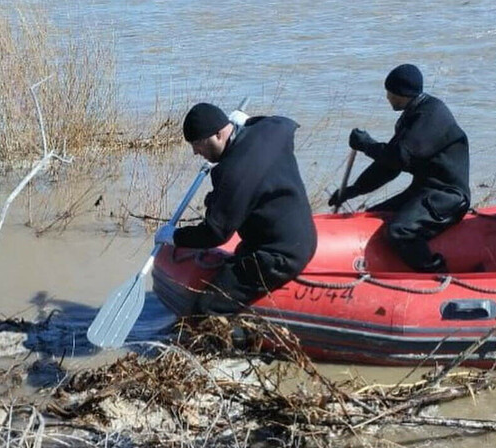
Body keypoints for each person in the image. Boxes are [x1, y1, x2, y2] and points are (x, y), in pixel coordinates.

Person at [154, 103, 317, 314]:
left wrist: (175, 237)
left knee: (205, 309)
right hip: (297, 237)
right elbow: (286, 124)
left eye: (198, 144)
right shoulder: (272, 129)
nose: (195, 152)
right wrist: (249, 123)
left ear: (219, 134)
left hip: (279, 255)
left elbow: (215, 233)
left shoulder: (233, 173)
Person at [328, 64, 470, 273]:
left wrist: (367, 144)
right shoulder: (410, 116)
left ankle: (434, 271)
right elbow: (389, 166)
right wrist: (354, 190)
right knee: (371, 217)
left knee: (400, 230)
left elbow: (399, 157)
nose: (387, 97)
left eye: (390, 92)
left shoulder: (432, 115)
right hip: (422, 191)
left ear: (404, 93)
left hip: (447, 196)